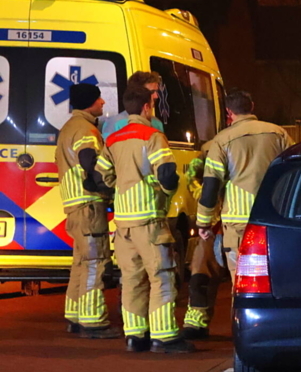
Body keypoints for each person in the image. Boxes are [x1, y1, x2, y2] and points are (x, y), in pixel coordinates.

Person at [97, 84, 194, 353]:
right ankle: (164, 337)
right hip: (150, 221)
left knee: (130, 279)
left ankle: (134, 335)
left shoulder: (113, 139)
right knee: (161, 276)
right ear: (147, 107)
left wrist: (119, 190)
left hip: (123, 223)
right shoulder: (152, 136)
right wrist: (165, 192)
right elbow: (166, 174)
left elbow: (99, 176)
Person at [196, 91, 293, 282]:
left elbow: (211, 186)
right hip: (275, 219)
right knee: (277, 278)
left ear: (228, 112)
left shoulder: (222, 141)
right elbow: (295, 171)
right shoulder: (279, 134)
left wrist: (203, 222)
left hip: (239, 224)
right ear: (252, 106)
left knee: (243, 281)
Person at [57, 83, 118, 338]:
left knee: (80, 263)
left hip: (74, 205)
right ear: (89, 102)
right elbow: (87, 159)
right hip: (89, 204)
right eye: (98, 99)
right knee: (96, 262)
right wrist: (104, 185)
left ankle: (74, 315)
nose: (103, 102)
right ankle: (93, 322)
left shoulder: (68, 127)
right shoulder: (86, 129)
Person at [182, 148, 226, 340]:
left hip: (232, 224)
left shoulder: (219, 147)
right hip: (218, 226)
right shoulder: (217, 148)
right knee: (200, 273)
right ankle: (196, 323)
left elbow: (192, 177)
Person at [102, 71, 165, 139]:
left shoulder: (157, 123)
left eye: (156, 91)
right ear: (137, 92)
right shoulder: (114, 124)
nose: (156, 96)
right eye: (152, 92)